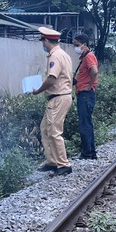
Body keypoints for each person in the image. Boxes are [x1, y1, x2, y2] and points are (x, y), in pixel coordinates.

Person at [33, 27, 73, 176]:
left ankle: (63, 164)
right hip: (60, 97)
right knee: (45, 128)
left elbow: (52, 79)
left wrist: (38, 90)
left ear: (46, 40)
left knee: (54, 131)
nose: (42, 44)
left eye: (42, 40)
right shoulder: (63, 54)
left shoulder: (55, 56)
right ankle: (52, 161)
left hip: (58, 97)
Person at [73, 34, 99, 160]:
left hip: (86, 95)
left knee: (85, 124)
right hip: (84, 94)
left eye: (77, 45)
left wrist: (89, 86)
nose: (76, 48)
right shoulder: (84, 58)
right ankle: (90, 151)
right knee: (86, 123)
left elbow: (94, 71)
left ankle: (88, 153)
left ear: (84, 44)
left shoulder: (89, 57)